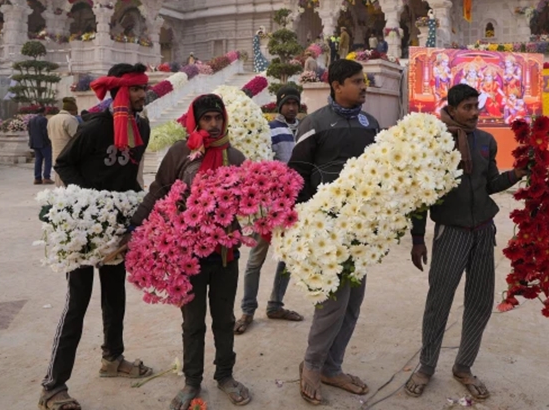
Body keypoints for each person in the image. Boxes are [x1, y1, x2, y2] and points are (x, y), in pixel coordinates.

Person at [39, 63, 153, 410]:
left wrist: (135, 211)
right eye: (134, 89)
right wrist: (89, 203)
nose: (140, 95)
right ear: (120, 90)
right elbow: (64, 163)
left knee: (115, 296)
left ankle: (112, 358)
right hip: (87, 226)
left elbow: (132, 173)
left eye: (142, 88)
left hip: (119, 225)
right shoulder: (93, 127)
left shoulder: (142, 127)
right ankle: (53, 387)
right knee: (78, 301)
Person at [129, 94, 252, 409]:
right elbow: (159, 190)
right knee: (193, 323)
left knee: (224, 319)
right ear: (195, 120)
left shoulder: (235, 157)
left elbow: (250, 200)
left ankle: (225, 376)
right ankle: (192, 382)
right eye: (206, 119)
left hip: (225, 255)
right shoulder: (180, 153)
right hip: (188, 256)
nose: (213, 125)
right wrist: (136, 225)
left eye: (217, 118)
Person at [404, 84, 526, 402]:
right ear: (453, 108)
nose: (474, 113)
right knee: (439, 302)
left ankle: (464, 366)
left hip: (483, 231)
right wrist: (418, 239)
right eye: (467, 108)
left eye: (477, 107)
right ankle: (426, 367)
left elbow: (490, 184)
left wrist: (518, 173)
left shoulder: (485, 141)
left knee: (480, 302)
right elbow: (420, 194)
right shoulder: (433, 142)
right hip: (451, 232)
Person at [290, 59, 380, 405]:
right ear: (337, 85)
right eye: (357, 81)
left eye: (364, 81)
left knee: (353, 303)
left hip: (361, 228)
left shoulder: (369, 123)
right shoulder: (314, 123)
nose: (363, 86)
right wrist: (299, 225)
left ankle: (333, 366)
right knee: (331, 303)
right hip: (325, 230)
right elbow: (296, 176)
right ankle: (311, 365)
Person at [235, 85, 304, 336]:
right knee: (255, 259)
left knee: (285, 257)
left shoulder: (305, 128)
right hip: (268, 207)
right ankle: (247, 310)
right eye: (287, 103)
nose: (292, 108)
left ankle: (275, 305)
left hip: (294, 205)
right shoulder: (270, 130)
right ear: (279, 104)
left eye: (295, 103)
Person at [47, 98, 80, 187]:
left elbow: (49, 136)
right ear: (73, 110)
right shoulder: (70, 119)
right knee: (68, 181)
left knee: (58, 179)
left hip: (55, 153)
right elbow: (77, 137)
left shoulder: (52, 119)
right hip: (67, 154)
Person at [28, 107, 53, 185]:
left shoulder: (31, 120)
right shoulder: (43, 120)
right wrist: (49, 141)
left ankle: (37, 178)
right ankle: (46, 177)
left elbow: (30, 132)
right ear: (44, 111)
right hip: (43, 143)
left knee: (38, 160)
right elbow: (45, 132)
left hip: (35, 143)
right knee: (48, 159)